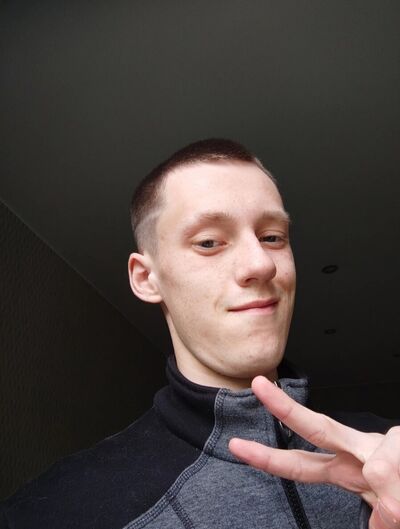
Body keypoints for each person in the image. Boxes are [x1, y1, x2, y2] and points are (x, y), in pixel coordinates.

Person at [1, 139, 399, 529]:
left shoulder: (387, 449)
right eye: (208, 242)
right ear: (146, 278)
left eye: (272, 237)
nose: (261, 264)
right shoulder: (55, 511)